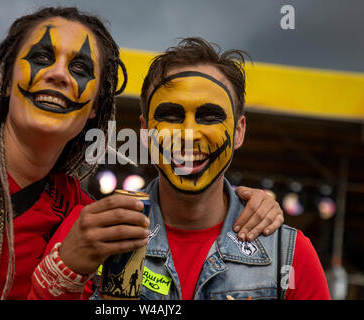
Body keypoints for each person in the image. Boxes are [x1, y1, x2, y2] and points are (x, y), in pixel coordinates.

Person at [0, 8, 282, 300]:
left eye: (80, 68)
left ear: (94, 107)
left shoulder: (80, 212)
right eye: (42, 57)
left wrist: (250, 205)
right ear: (6, 79)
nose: (59, 75)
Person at [31, 38, 330, 300]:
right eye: (171, 115)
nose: (187, 134)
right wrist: (65, 271)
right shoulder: (91, 232)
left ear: (238, 132)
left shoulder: (289, 255)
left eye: (210, 116)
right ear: (146, 133)